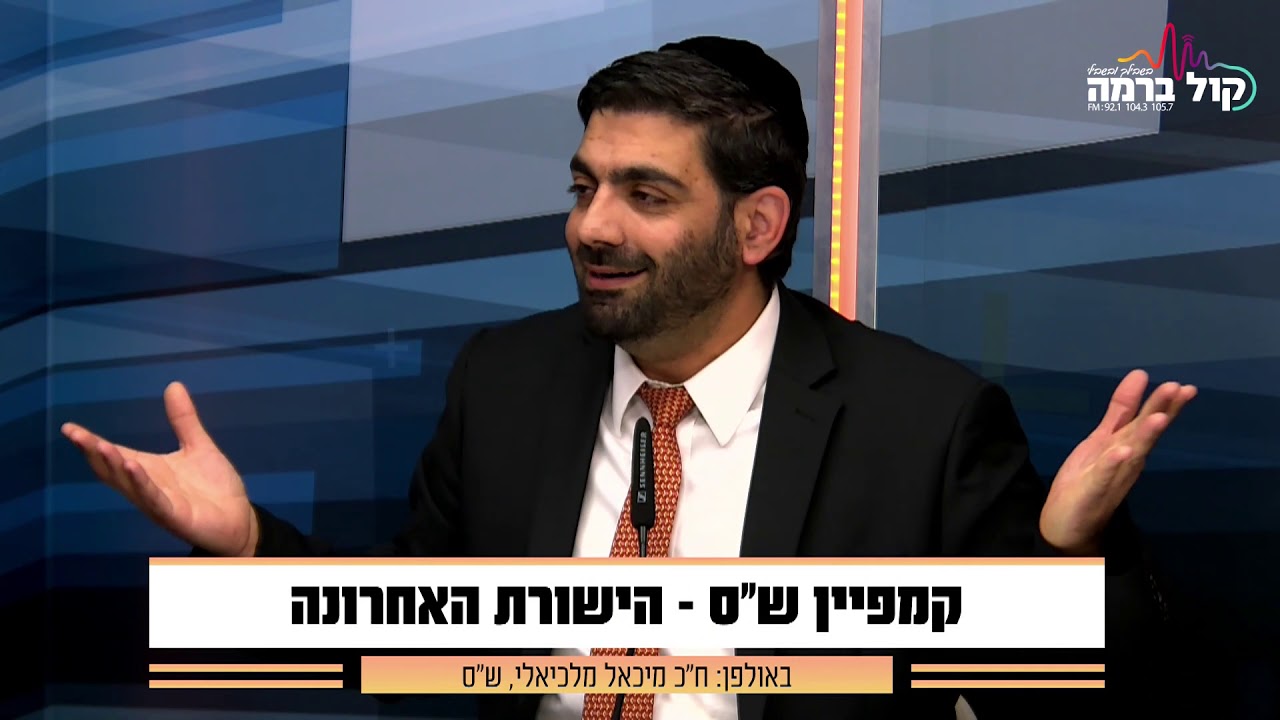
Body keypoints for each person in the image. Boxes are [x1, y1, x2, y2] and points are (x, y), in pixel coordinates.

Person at [62, 36, 1194, 720]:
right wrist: (247, 552)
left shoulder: (922, 420)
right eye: (584, 185)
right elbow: (418, 644)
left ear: (756, 225)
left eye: (645, 195)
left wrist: (1065, 555)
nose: (590, 226)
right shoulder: (504, 383)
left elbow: (1065, 701)